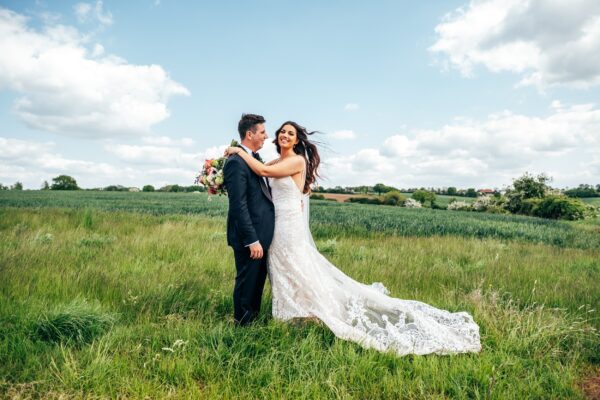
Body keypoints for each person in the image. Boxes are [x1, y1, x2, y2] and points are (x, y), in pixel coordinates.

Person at [225, 121, 481, 355]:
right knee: (286, 268)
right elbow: (261, 169)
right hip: (278, 223)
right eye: (282, 131)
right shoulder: (277, 162)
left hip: (288, 225)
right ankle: (296, 312)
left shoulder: (297, 160)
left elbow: (259, 169)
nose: (283, 135)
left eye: (290, 133)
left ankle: (307, 311)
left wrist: (238, 151)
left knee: (296, 266)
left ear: (297, 140)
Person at [223, 114, 274, 326]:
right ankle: (242, 326)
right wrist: (252, 240)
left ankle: (252, 321)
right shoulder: (236, 163)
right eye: (262, 132)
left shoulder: (251, 159)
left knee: (256, 281)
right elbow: (238, 205)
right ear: (249, 134)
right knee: (246, 281)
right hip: (249, 236)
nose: (266, 136)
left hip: (261, 233)